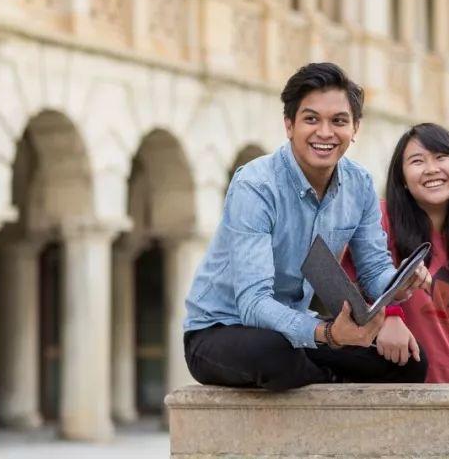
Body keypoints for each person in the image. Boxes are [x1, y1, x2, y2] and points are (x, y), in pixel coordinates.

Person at [182, 62, 431, 390]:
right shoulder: (256, 185)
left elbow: (374, 272)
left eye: (338, 121)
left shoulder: (359, 184)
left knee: (408, 362)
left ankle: (314, 375)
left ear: (355, 128)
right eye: (311, 119)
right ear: (289, 125)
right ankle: (325, 377)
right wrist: (327, 335)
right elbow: (253, 303)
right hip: (220, 330)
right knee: (274, 353)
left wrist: (401, 283)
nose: (325, 133)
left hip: (296, 331)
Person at [343, 123, 449, 383]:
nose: (431, 169)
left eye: (441, 157)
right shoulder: (378, 221)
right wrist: (388, 315)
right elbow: (342, 286)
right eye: (417, 161)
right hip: (381, 389)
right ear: (402, 179)